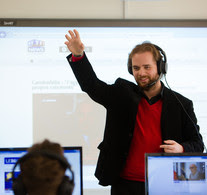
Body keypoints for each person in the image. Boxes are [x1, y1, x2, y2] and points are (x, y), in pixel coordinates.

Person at [64, 29, 204, 195]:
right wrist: (79, 56)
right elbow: (91, 86)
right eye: (136, 68)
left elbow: (198, 144)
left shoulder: (181, 104)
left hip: (164, 184)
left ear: (160, 67)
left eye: (147, 67)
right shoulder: (121, 94)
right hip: (124, 185)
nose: (141, 73)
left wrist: (182, 148)